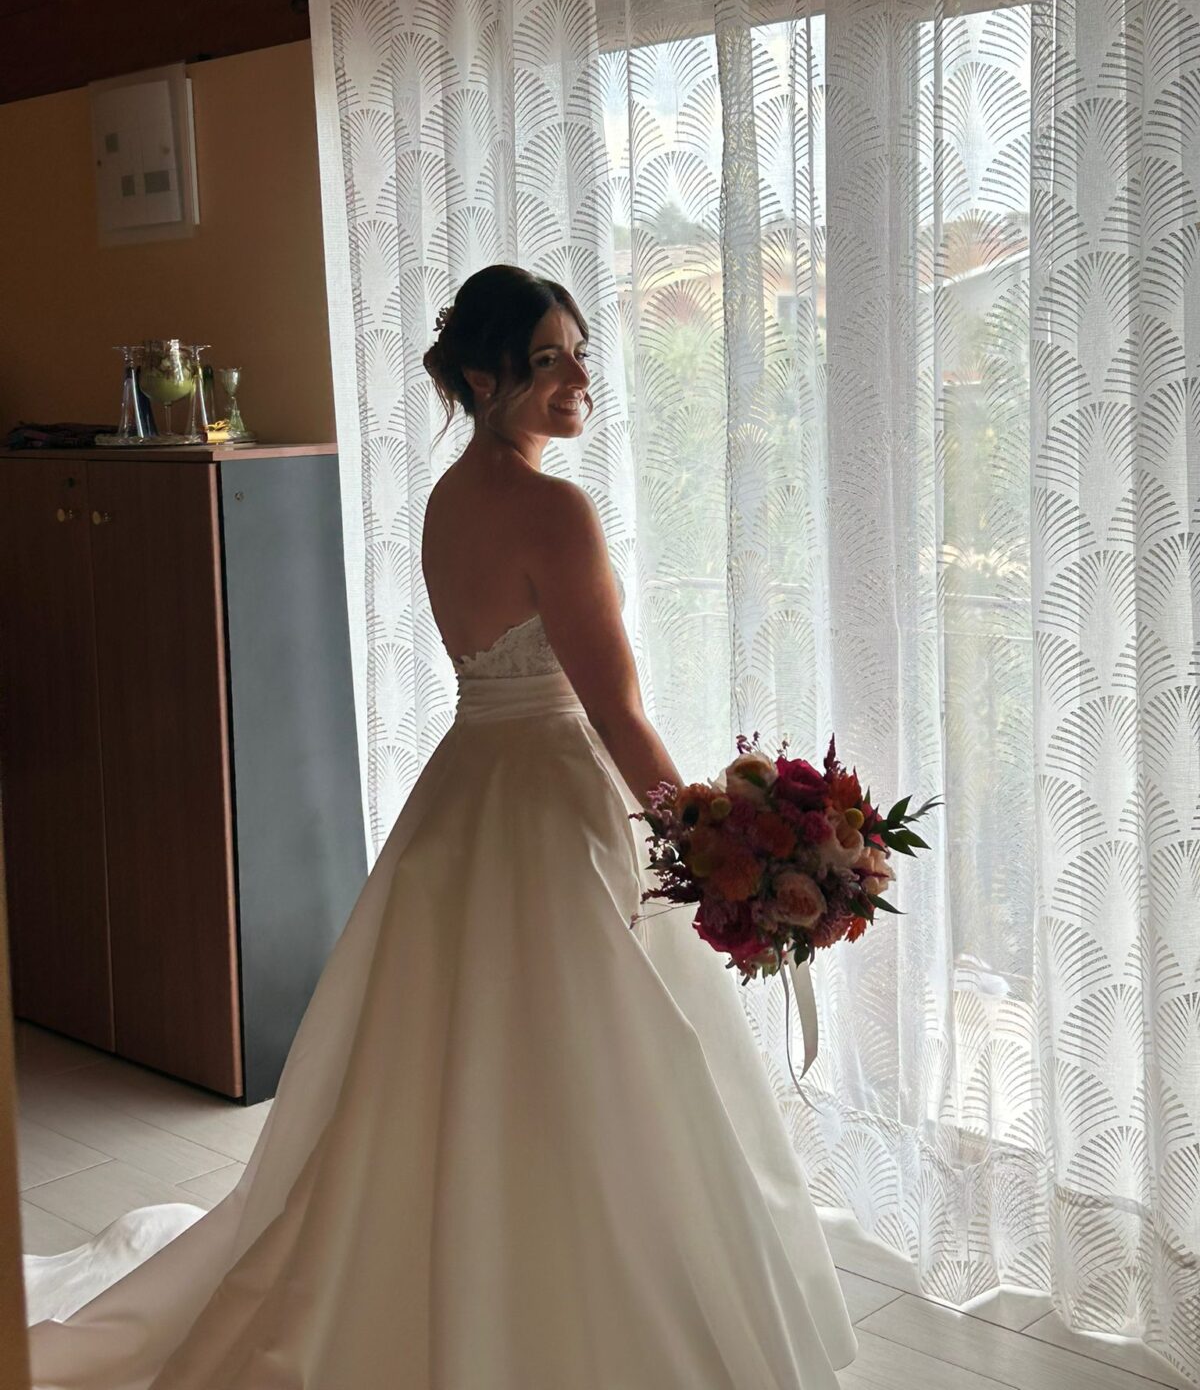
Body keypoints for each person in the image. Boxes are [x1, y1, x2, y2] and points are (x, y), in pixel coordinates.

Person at [24, 265, 856, 1388]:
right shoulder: (556, 510)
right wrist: (719, 850)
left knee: (457, 1058)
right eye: (548, 360)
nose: (578, 380)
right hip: (555, 799)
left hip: (468, 791)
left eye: (580, 355)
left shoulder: (449, 498)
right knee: (594, 1060)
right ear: (482, 377)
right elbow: (616, 714)